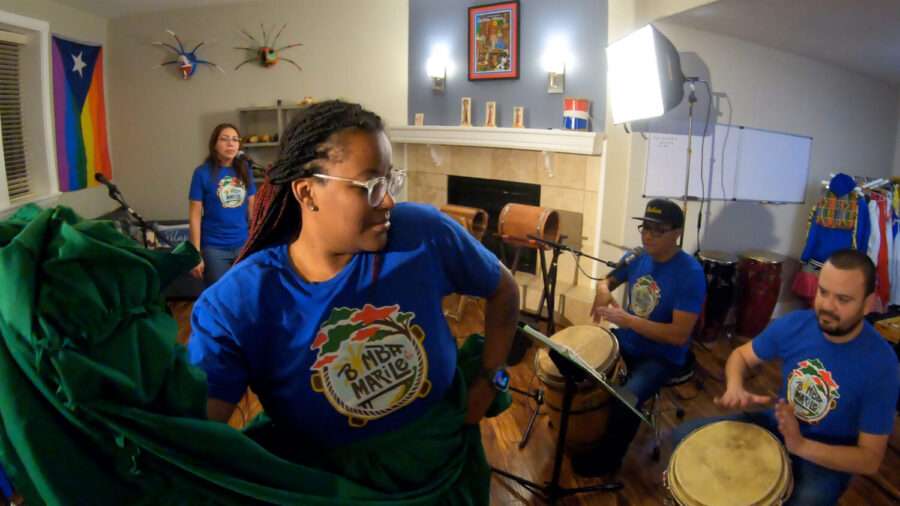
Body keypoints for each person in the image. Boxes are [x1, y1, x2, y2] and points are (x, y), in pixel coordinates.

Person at [187, 100, 519, 501]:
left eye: (390, 181)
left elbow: (504, 288)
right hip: (332, 490)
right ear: (307, 192)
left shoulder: (422, 235)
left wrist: (492, 375)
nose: (389, 202)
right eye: (371, 187)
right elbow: (196, 441)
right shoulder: (240, 301)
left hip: (448, 471)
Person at [672, 249, 899, 505]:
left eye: (843, 299)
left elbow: (869, 459)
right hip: (776, 424)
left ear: (868, 304)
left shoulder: (882, 365)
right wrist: (735, 387)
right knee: (683, 436)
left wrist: (800, 445)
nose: (827, 306)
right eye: (823, 292)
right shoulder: (796, 325)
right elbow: (741, 357)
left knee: (807, 499)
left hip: (827, 453)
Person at [578, 198, 706, 476]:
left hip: (661, 356)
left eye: (657, 230)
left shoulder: (691, 274)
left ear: (677, 234)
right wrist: (602, 288)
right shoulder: (637, 257)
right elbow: (608, 280)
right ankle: (583, 432)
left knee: (625, 399)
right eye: (645, 227)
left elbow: (677, 335)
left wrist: (629, 321)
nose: (648, 235)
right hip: (629, 339)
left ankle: (607, 462)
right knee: (579, 362)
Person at [188, 123, 257, 286]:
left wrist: (257, 243)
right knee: (220, 297)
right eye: (224, 139)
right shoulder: (201, 173)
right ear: (214, 145)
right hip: (214, 248)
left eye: (235, 139)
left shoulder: (245, 169)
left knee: (246, 294)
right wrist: (195, 254)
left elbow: (253, 209)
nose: (231, 143)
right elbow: (195, 217)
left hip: (243, 244)